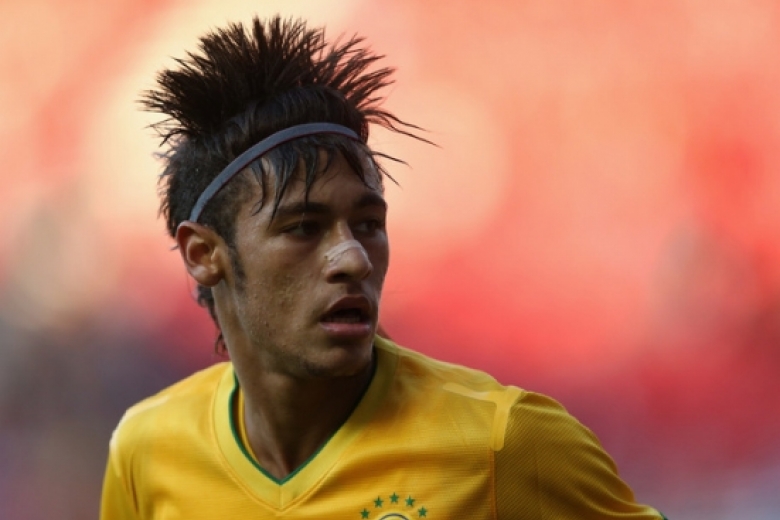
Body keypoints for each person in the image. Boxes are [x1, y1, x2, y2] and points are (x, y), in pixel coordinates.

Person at [100, 15, 667, 520]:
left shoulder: (504, 443)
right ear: (205, 255)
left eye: (368, 223)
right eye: (303, 228)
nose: (352, 257)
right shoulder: (147, 452)